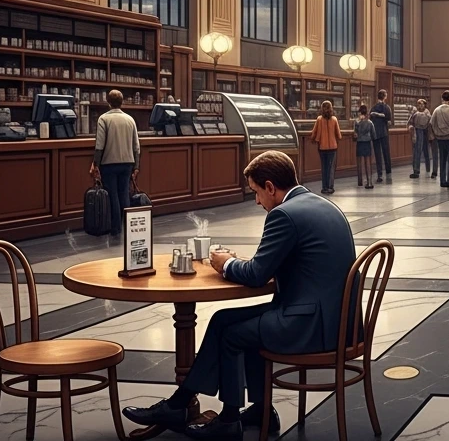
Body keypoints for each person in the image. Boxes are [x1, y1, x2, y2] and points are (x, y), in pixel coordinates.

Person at [123, 151, 356, 439]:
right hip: (339, 321)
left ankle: (228, 421)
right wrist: (246, 265)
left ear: (270, 187)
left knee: (234, 335)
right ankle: (245, 409)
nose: (257, 201)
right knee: (222, 320)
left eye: (257, 192)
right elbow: (290, 262)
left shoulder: (283, 214)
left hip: (311, 326)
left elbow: (257, 275)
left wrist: (226, 264)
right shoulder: (322, 205)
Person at [89, 89, 141, 238]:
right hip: (127, 163)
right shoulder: (130, 119)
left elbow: (100, 145)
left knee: (112, 195)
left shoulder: (103, 119)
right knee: (124, 193)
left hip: (110, 163)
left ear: (108, 102)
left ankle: (116, 228)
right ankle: (128, 227)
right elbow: (136, 145)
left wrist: (95, 164)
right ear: (122, 102)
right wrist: (136, 165)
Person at [310, 100, 341, 194]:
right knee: (331, 168)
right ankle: (330, 187)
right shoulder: (334, 119)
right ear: (331, 108)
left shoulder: (319, 119)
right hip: (333, 147)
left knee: (324, 167)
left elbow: (314, 132)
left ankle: (324, 187)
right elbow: (339, 135)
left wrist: (313, 139)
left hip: (322, 147)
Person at [430, 90, 449, 188]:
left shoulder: (436, 110)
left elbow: (432, 123)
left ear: (442, 98)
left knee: (442, 159)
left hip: (440, 138)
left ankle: (442, 181)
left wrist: (435, 133)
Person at [370, 90, 393, 182]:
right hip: (384, 133)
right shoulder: (387, 107)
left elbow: (370, 119)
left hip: (375, 133)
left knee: (377, 154)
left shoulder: (373, 108)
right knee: (386, 153)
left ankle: (379, 173)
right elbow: (389, 120)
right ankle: (388, 171)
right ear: (385, 96)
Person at [407, 98, 432, 179]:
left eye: (422, 104)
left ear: (425, 105)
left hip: (425, 132)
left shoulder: (426, 112)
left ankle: (428, 169)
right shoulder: (415, 113)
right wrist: (411, 127)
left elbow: (427, 120)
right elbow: (410, 122)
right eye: (419, 104)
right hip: (417, 132)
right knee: (417, 151)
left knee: (426, 152)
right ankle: (416, 170)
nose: (420, 106)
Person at [353, 104, 375, 189]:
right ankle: (369, 182)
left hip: (359, 143)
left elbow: (354, 134)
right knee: (368, 162)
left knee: (359, 162)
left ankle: (360, 181)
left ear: (359, 112)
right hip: (367, 143)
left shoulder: (356, 122)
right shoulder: (370, 122)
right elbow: (374, 134)